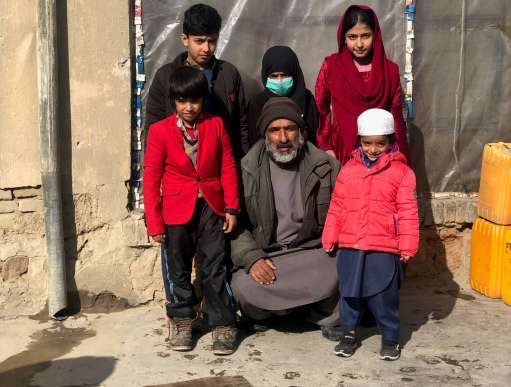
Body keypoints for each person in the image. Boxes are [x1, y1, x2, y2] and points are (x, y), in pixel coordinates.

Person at [144, 66, 240, 355]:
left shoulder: (216, 125)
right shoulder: (159, 132)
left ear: (203, 99)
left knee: (214, 265)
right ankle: (181, 319)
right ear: (173, 100)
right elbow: (151, 176)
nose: (189, 107)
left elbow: (227, 165)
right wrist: (154, 222)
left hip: (211, 206)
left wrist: (232, 207)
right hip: (175, 209)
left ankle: (222, 322)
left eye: (195, 101)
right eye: (183, 101)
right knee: (178, 268)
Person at [230, 97, 342, 341]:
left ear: (301, 132)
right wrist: (252, 258)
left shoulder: (327, 166)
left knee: (349, 265)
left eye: (289, 129)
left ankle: (320, 314)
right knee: (241, 286)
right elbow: (235, 226)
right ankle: (274, 312)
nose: (283, 138)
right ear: (264, 135)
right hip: (269, 256)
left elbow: (345, 215)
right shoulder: (245, 170)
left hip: (312, 253)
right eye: (274, 130)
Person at [322, 108, 419, 361]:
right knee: (350, 294)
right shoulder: (348, 170)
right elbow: (337, 206)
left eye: (380, 144)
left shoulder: (402, 173)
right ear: (360, 141)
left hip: (383, 246)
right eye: (367, 143)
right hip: (351, 244)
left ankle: (390, 339)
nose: (373, 149)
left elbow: (408, 211)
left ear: (391, 142)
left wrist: (407, 245)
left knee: (383, 296)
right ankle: (348, 335)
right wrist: (330, 235)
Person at [146, 3, 249, 159]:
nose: (206, 49)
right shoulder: (165, 77)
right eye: (199, 41)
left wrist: (242, 165)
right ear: (185, 39)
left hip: (221, 166)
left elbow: (241, 124)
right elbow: (153, 127)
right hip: (179, 169)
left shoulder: (228, 74)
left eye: (212, 41)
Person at [315, 5, 410, 165]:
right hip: (342, 151)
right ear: (343, 37)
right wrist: (326, 146)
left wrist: (399, 156)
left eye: (365, 36)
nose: (359, 44)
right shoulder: (331, 67)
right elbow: (322, 109)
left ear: (376, 35)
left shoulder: (389, 71)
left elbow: (396, 117)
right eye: (352, 37)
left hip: (380, 150)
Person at [247, 45, 318, 147]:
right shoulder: (258, 103)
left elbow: (314, 135)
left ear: (294, 74)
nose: (279, 80)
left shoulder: (307, 99)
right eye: (274, 76)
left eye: (284, 75)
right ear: (265, 76)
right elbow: (255, 141)